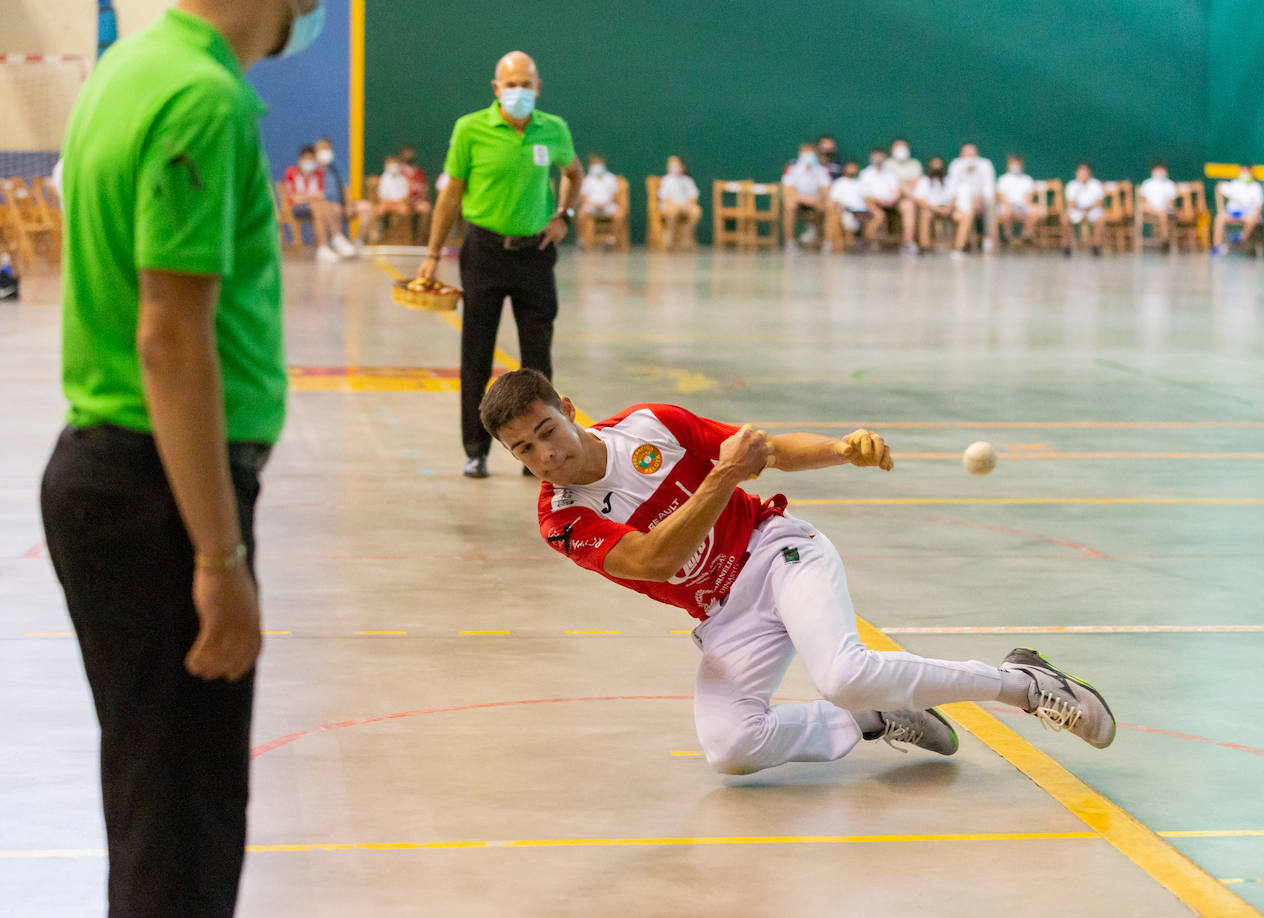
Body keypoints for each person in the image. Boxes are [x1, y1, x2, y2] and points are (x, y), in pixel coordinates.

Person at [479, 369, 1118, 778]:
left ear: (567, 408)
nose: (549, 455)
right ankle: (873, 719)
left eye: (548, 430)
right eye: (524, 450)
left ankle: (1024, 684)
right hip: (725, 612)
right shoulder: (560, 517)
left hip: (776, 552)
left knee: (843, 672)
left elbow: (768, 450)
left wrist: (843, 449)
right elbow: (655, 561)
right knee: (731, 748)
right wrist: (722, 476)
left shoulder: (652, 426)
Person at [40, 0, 313, 914]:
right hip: (159, 491)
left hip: (110, 476)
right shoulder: (204, 99)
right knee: (185, 828)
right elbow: (169, 338)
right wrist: (218, 555)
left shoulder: (125, 69)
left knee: (156, 796)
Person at [416, 50, 582, 480]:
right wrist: (432, 255)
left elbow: (574, 174)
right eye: (511, 84)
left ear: (538, 88)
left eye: (527, 84)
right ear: (496, 88)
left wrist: (564, 216)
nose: (519, 92)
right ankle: (476, 450)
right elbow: (450, 195)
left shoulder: (554, 129)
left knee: (537, 355)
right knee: (476, 351)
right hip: (484, 251)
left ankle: (543, 451)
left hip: (535, 254)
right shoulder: (470, 129)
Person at [283, 144, 354, 261]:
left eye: (311, 159)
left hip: (316, 206)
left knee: (321, 208)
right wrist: (310, 197)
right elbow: (293, 197)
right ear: (300, 159)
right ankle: (336, 238)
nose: (309, 161)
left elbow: (321, 195)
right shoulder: (291, 172)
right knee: (320, 206)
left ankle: (324, 247)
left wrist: (306, 197)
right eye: (306, 159)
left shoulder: (318, 173)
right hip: (296, 208)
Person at [315, 136, 372, 249]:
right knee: (331, 208)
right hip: (327, 204)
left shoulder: (336, 165)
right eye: (321, 148)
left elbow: (345, 187)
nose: (324, 151)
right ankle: (337, 239)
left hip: (342, 203)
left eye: (326, 148)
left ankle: (358, 242)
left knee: (367, 207)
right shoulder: (315, 169)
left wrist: (349, 204)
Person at [947, 143, 997, 257]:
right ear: (961, 153)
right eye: (966, 152)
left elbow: (988, 187)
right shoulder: (955, 165)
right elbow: (952, 187)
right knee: (964, 211)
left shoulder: (985, 164)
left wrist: (978, 199)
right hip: (961, 202)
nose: (969, 155)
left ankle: (987, 238)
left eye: (972, 152)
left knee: (990, 202)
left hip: (981, 200)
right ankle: (962, 244)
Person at [781, 142, 831, 251]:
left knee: (830, 206)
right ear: (800, 153)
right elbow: (788, 191)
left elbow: (826, 191)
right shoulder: (791, 168)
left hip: (816, 201)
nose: (808, 155)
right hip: (799, 201)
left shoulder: (822, 169)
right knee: (789, 205)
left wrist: (816, 199)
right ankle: (789, 242)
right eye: (805, 152)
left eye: (811, 152)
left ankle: (827, 243)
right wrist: (805, 199)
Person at [1212, 163, 1264, 256]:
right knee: (1220, 218)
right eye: (1242, 171)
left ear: (1251, 172)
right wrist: (1220, 208)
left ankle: (1240, 237)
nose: (1244, 174)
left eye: (1246, 171)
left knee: (1252, 220)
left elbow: (1259, 204)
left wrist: (1257, 214)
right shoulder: (1234, 184)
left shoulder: (1255, 187)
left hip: (1246, 214)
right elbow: (1219, 187)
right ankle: (1217, 247)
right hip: (1231, 212)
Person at [576, 154, 625, 249]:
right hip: (591, 206)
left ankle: (611, 240)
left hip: (607, 205)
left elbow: (615, 196)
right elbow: (584, 197)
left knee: (619, 215)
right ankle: (581, 241)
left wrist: (605, 203)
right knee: (581, 215)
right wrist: (593, 204)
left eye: (599, 165)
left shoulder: (611, 178)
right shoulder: (588, 180)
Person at [883, 137, 922, 255]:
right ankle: (919, 201)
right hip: (889, 199)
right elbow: (888, 183)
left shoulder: (914, 164)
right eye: (897, 146)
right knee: (906, 193)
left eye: (903, 146)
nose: (901, 149)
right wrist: (902, 185)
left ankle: (908, 242)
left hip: (906, 199)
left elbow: (915, 183)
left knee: (909, 205)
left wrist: (901, 185)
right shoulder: (887, 164)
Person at [858, 148, 900, 248]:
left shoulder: (890, 174)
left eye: (881, 156)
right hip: (871, 202)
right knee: (879, 215)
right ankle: (866, 240)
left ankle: (907, 242)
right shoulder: (865, 174)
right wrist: (879, 201)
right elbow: (865, 194)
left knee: (907, 206)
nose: (878, 159)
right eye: (876, 156)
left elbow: (896, 191)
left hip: (891, 203)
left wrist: (892, 200)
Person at [996, 154, 1043, 244]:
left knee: (1036, 210)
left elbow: (1029, 198)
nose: (1015, 166)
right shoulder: (1003, 179)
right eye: (1013, 164)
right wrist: (1012, 208)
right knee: (1006, 210)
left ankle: (1026, 235)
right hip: (1007, 206)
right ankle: (1007, 236)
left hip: (1023, 206)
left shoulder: (1027, 179)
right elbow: (1002, 198)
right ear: (1008, 165)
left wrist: (1022, 208)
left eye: (1017, 164)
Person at [823, 160, 869, 251]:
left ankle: (865, 243)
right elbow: (833, 201)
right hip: (843, 211)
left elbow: (868, 199)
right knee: (836, 216)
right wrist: (842, 206)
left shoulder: (862, 183)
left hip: (861, 212)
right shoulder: (839, 183)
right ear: (844, 169)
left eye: (854, 167)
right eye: (849, 167)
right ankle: (832, 243)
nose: (852, 169)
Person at [657, 155, 701, 250]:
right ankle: (669, 239)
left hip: (686, 206)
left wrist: (687, 205)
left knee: (696, 211)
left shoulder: (688, 180)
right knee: (672, 212)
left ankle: (687, 237)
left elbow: (693, 197)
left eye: (677, 164)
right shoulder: (666, 180)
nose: (675, 167)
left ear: (683, 166)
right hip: (671, 206)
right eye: (672, 165)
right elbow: (665, 198)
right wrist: (677, 206)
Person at [1064, 161, 1105, 256]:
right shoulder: (1072, 185)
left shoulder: (1096, 184)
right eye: (1081, 171)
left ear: (1089, 172)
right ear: (1076, 173)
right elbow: (1070, 203)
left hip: (1092, 211)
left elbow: (1098, 202)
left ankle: (1096, 246)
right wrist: (1081, 210)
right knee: (1064, 218)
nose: (1083, 174)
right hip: (1077, 211)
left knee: (1100, 219)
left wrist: (1088, 209)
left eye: (1085, 171)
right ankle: (1066, 246)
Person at [370, 154, 415, 241]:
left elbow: (404, 196)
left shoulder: (403, 179)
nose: (393, 166)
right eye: (390, 164)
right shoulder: (384, 179)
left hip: (399, 204)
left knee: (404, 210)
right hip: (386, 204)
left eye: (394, 164)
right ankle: (377, 234)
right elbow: (382, 196)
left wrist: (396, 203)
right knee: (378, 211)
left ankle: (402, 237)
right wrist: (389, 203)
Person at [915, 157, 953, 252]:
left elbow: (953, 197)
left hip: (947, 209)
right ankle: (925, 246)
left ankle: (957, 247)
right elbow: (920, 199)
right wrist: (935, 209)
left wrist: (949, 208)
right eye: (934, 164)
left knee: (963, 215)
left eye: (938, 164)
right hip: (930, 208)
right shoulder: (924, 181)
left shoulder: (948, 181)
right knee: (924, 214)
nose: (936, 167)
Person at [1138, 161, 1178, 251]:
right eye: (1158, 169)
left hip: (1165, 210)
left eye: (1162, 169)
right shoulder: (1147, 183)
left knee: (1163, 214)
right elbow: (1143, 200)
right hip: (1149, 209)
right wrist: (1154, 210)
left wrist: (1163, 209)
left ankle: (1165, 241)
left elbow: (1171, 202)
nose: (1160, 172)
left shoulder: (1169, 184)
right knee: (1142, 206)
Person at [398, 144, 433, 241]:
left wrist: (419, 199)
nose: (409, 155)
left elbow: (424, 188)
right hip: (402, 202)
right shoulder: (399, 172)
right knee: (403, 210)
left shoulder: (419, 172)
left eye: (410, 153)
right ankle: (404, 239)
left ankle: (420, 239)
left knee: (426, 208)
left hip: (417, 202)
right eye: (406, 153)